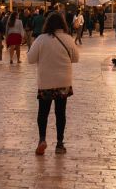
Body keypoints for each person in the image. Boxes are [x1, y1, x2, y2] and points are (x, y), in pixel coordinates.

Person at [27, 11, 79, 155]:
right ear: (62, 24)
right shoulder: (68, 39)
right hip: (63, 82)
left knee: (43, 112)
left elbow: (30, 59)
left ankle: (42, 139)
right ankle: (60, 144)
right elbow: (76, 58)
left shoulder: (41, 39)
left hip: (46, 82)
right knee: (60, 113)